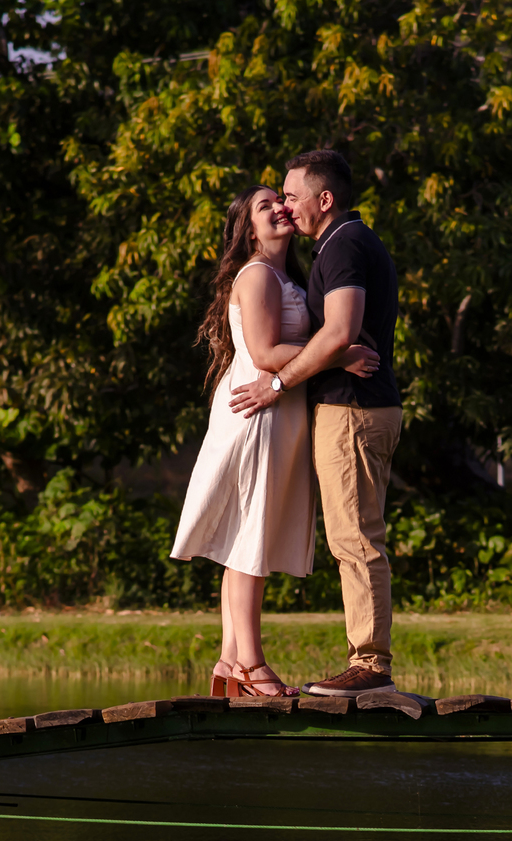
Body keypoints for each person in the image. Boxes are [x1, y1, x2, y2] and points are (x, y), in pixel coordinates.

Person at [172, 186, 378, 697]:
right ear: (248, 229)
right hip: (258, 411)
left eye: (281, 201)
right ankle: (251, 665)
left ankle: (228, 662)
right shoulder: (259, 273)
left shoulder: (284, 276)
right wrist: (339, 354)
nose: (280, 209)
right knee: (250, 538)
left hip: (277, 410)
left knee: (246, 534)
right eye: (266, 206)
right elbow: (265, 353)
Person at [231, 150, 402, 697]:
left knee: (355, 538)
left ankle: (370, 666)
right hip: (353, 405)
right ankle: (363, 660)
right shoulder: (337, 246)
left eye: (292, 195)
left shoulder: (344, 244)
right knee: (352, 537)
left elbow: (340, 331)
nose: (286, 204)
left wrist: (278, 384)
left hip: (354, 408)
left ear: (324, 200)